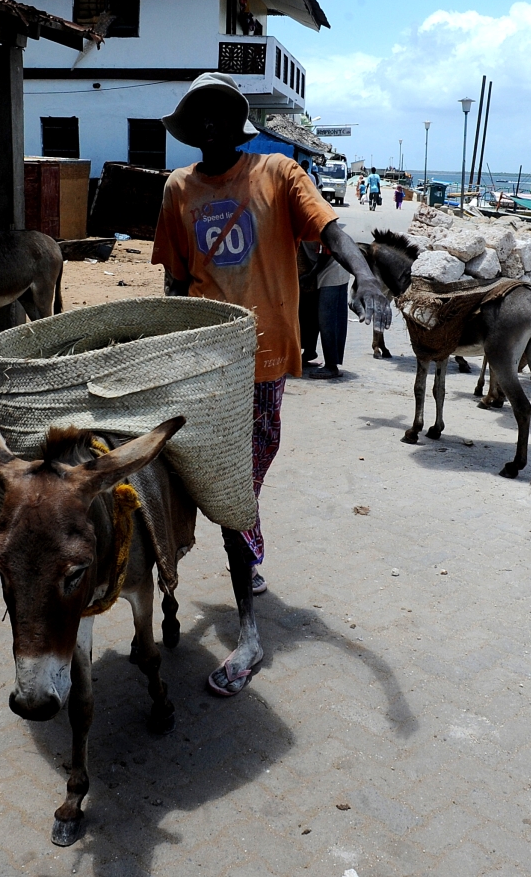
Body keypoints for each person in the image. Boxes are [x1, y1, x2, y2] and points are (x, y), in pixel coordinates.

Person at [152, 72, 391, 696]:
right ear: (190, 128)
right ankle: (244, 581)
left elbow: (331, 232)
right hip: (203, 359)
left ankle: (251, 623)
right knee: (197, 470)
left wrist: (364, 275)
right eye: (198, 115)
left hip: (261, 359)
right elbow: (177, 282)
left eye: (220, 114)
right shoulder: (178, 189)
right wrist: (165, 347)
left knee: (242, 476)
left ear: (239, 123)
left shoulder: (278, 176)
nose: (210, 126)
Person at [299, 240, 350, 379]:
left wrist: (311, 275)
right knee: (310, 312)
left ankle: (331, 366)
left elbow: (326, 252)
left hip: (333, 268)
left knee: (328, 319)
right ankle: (309, 352)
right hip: (316, 267)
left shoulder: (319, 222)